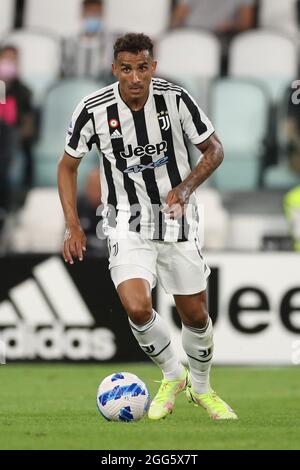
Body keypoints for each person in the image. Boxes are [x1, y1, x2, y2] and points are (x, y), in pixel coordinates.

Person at [58, 33, 237, 421]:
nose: (135, 77)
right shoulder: (92, 109)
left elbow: (215, 149)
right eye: (127, 69)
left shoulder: (175, 99)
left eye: (143, 68)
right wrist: (72, 223)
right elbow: (67, 165)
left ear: (152, 67)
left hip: (176, 218)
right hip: (125, 220)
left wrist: (185, 187)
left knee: (195, 316)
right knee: (138, 308)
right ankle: (173, 375)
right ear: (115, 70)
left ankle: (202, 389)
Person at [0, 45, 35, 204]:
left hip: (15, 141)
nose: (8, 63)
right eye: (5, 59)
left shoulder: (24, 91)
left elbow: (28, 125)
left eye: (12, 60)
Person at [61, 0, 111, 80]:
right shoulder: (69, 42)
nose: (94, 16)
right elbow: (63, 71)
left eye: (97, 13)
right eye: (90, 13)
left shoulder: (110, 43)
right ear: (82, 14)